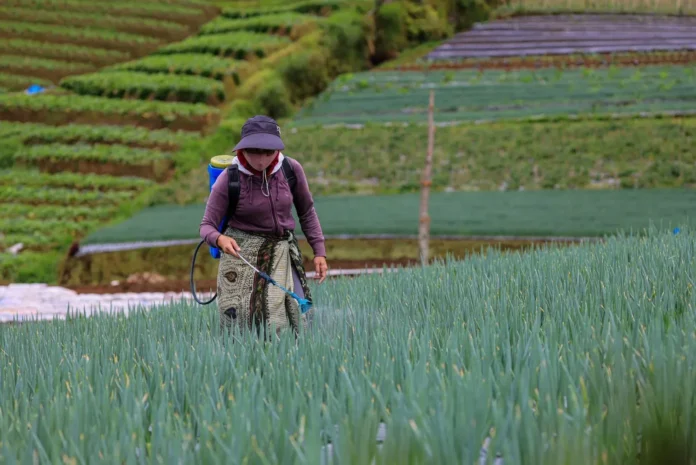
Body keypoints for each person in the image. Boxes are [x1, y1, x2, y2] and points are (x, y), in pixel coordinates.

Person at [199, 115, 328, 338]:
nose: (261, 160)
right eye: (255, 152)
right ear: (243, 150)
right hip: (243, 256)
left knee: (298, 314)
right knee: (242, 323)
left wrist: (319, 252)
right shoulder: (230, 179)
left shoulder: (290, 170)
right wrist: (220, 239)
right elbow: (206, 226)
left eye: (268, 153)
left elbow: (306, 212)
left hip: (282, 251)